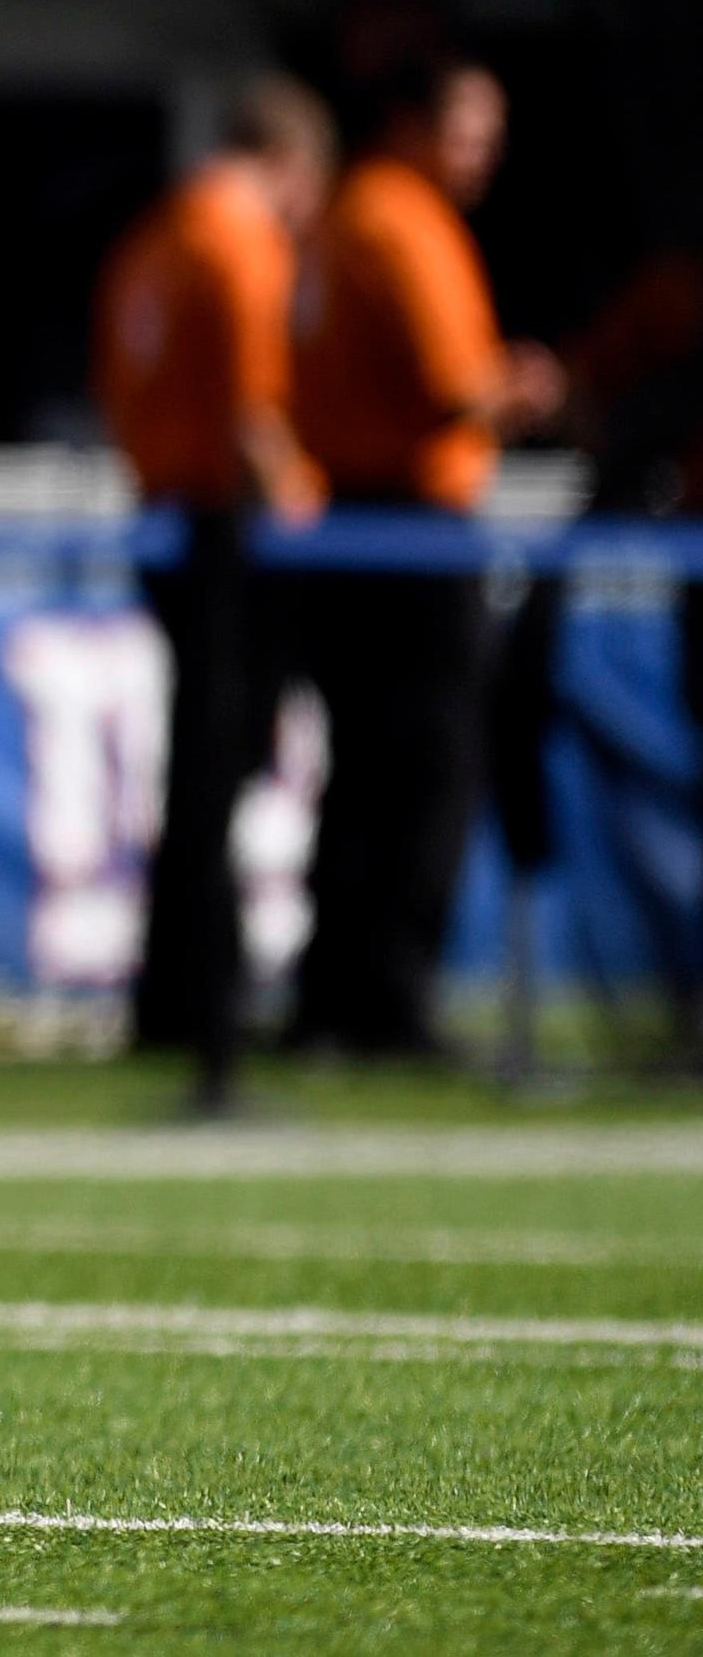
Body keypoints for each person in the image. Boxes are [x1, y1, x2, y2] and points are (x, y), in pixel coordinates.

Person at [288, 55, 564, 1059]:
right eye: (466, 131)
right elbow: (456, 384)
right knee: (426, 769)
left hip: (345, 528)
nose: (482, 156)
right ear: (409, 122)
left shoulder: (345, 211)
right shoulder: (403, 218)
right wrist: (529, 386)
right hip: (408, 528)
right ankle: (388, 1002)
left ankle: (331, 998)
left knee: (359, 770)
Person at [92, 73, 333, 1107]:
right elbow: (251, 405)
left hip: (164, 514)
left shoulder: (153, 236)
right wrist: (299, 491)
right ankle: (209, 1018)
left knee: (197, 772)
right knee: (219, 767)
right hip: (219, 528)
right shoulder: (235, 239)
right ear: (290, 165)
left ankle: (180, 1001)